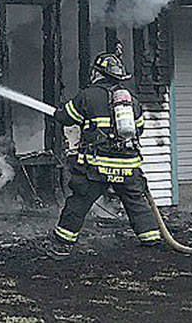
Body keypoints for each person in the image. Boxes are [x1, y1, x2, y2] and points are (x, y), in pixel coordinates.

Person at [49, 50, 160, 256]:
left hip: (97, 165)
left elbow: (66, 117)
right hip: (128, 166)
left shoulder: (87, 95)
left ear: (98, 73)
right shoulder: (131, 101)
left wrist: (59, 112)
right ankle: (151, 239)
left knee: (80, 201)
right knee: (136, 202)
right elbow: (139, 129)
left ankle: (62, 242)